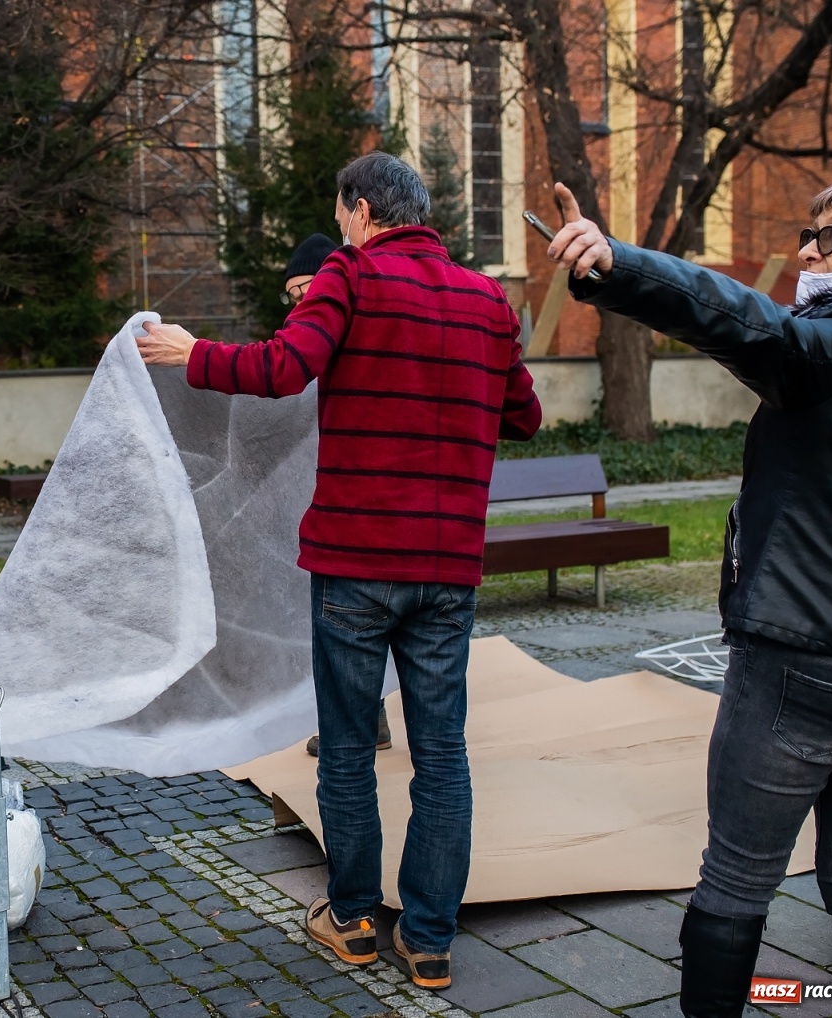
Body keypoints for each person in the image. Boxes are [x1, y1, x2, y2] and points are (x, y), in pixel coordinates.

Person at [136, 152, 541, 987]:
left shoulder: (349, 277)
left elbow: (284, 369)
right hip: (449, 570)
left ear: (358, 211)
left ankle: (353, 919)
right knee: (442, 755)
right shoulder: (487, 300)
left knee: (350, 750)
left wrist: (193, 351)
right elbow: (525, 415)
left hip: (356, 564)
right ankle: (429, 940)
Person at [547, 168, 832, 1018]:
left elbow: (760, 328)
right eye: (808, 232)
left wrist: (622, 266)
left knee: (738, 876)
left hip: (808, 658)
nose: (807, 251)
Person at [282, 232, 397, 759]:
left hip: (358, 517)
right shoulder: (308, 334)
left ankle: (355, 728)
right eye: (291, 294)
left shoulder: (355, 323)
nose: (300, 301)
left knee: (346, 630)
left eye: (306, 287)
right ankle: (367, 721)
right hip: (338, 507)